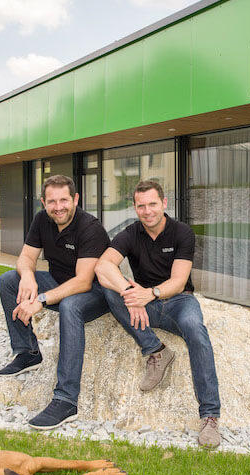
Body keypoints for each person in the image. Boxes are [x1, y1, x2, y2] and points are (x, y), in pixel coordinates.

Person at [94, 180, 222, 448]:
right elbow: (103, 266)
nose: (147, 211)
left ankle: (210, 416)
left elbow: (178, 281)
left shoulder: (182, 233)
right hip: (146, 306)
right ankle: (156, 350)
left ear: (164, 203)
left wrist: (149, 294)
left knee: (195, 329)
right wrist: (130, 293)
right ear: (134, 207)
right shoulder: (131, 233)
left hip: (179, 302)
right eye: (141, 206)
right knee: (109, 289)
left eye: (152, 204)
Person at [0, 175, 110, 430]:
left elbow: (83, 281)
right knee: (9, 280)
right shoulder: (41, 220)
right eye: (52, 202)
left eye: (64, 200)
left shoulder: (90, 228)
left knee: (70, 306)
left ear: (76, 199)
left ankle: (66, 399)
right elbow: (26, 257)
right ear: (43, 202)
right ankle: (28, 353)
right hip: (59, 282)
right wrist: (28, 276)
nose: (58, 207)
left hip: (95, 292)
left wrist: (41, 299)